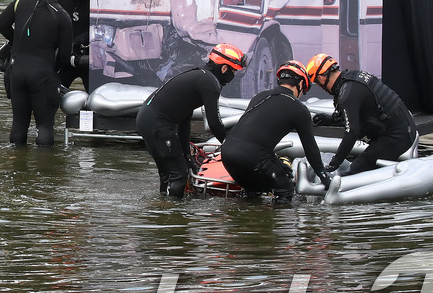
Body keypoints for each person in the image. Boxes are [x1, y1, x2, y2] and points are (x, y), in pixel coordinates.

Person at [136, 43, 246, 198]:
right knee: (178, 175)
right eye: (233, 71)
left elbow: (184, 122)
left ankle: (162, 210)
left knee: (168, 173)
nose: (233, 75)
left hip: (146, 119)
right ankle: (175, 216)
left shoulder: (199, 76)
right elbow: (214, 124)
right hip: (158, 123)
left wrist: (188, 157)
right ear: (224, 69)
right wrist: (231, 147)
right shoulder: (210, 83)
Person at [220, 61, 329, 204]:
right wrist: (323, 176)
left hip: (227, 153)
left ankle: (243, 222)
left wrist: (276, 163)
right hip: (251, 157)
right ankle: (277, 224)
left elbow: (255, 137)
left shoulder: (260, 97)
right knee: (285, 190)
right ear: (301, 84)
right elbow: (310, 148)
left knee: (255, 191)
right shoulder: (298, 109)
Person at [0, 0, 75, 146]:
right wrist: (50, 71)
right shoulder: (63, 17)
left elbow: (1, 23)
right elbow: (64, 56)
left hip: (16, 72)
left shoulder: (22, 0)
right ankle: (44, 170)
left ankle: (17, 168)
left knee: (18, 125)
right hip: (43, 74)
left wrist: (17, 42)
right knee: (45, 127)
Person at [306, 53, 417, 176]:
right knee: (365, 160)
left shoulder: (346, 94)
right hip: (402, 127)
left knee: (354, 171)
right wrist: (329, 119)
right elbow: (354, 116)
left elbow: (351, 132)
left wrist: (335, 163)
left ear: (322, 78)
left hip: (398, 135)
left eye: (317, 81)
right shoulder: (350, 80)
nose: (320, 86)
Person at [61, 0, 91, 90]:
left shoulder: (99, 2)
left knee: (97, 98)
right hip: (67, 57)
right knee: (52, 94)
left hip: (90, 58)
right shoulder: (64, 0)